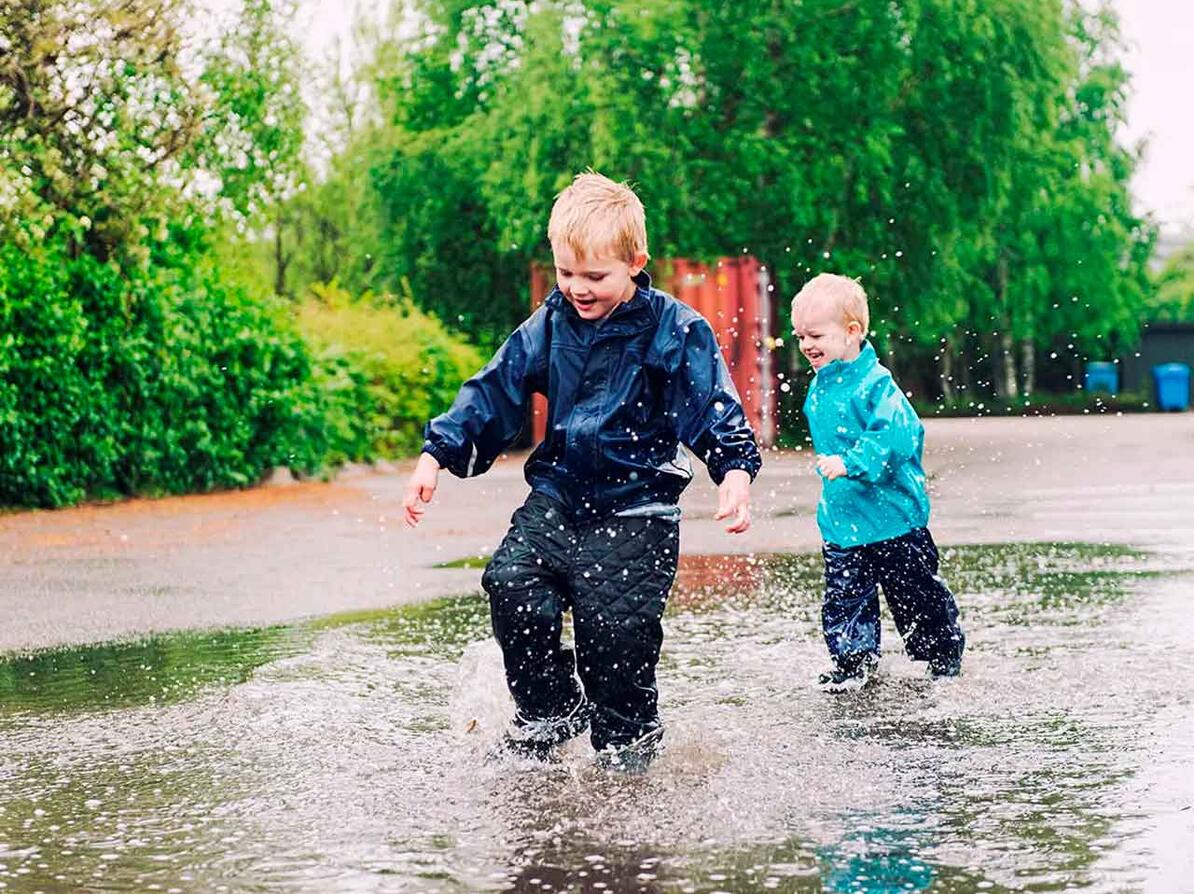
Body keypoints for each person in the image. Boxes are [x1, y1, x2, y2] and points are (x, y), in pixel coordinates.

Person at [403, 172, 762, 769]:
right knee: (512, 584)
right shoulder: (549, 326)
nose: (578, 289)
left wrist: (734, 472)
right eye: (567, 274)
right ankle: (550, 713)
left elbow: (711, 405)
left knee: (614, 637)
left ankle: (628, 742)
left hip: (637, 510)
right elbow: (494, 391)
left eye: (595, 276)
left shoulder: (674, 330)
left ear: (635, 263)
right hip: (559, 499)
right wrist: (437, 453)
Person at [791, 273, 964, 692]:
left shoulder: (876, 384)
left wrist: (852, 462)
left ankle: (940, 653)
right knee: (845, 596)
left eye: (815, 335)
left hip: (894, 519)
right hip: (844, 519)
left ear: (852, 333)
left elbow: (899, 436)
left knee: (914, 593)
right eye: (799, 336)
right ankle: (853, 662)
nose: (806, 345)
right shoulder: (820, 385)